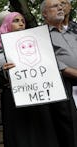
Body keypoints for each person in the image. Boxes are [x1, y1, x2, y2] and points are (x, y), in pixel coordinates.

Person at [0, 11, 61, 147]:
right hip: (13, 101)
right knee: (20, 138)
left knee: (43, 135)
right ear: (7, 24)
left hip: (38, 96)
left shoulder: (38, 43)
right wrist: (4, 73)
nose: (21, 23)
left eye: (22, 20)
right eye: (16, 20)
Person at [41, 0, 77, 146]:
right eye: (55, 6)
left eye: (61, 5)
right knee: (72, 134)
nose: (60, 8)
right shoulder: (40, 35)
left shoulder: (73, 31)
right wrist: (72, 72)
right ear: (45, 13)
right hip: (64, 89)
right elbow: (48, 60)